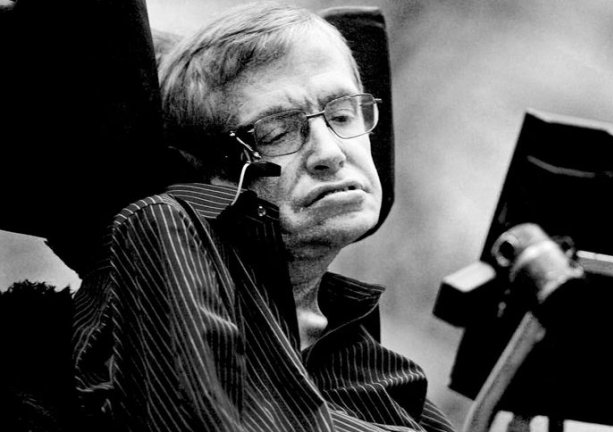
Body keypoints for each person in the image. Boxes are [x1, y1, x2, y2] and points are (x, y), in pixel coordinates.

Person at [72, 3, 454, 431]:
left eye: (342, 115)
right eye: (277, 132)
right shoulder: (161, 225)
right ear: (211, 173)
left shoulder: (383, 369)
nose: (330, 152)